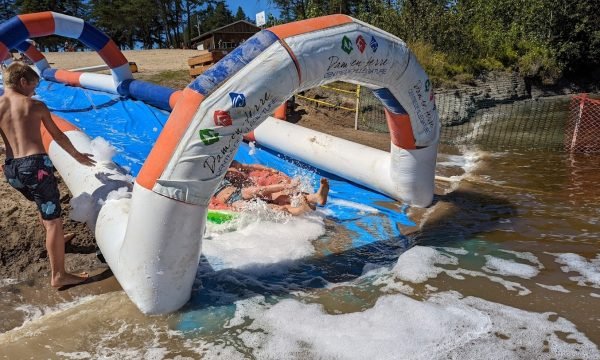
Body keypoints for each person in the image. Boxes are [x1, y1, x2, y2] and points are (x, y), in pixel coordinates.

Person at [0, 62, 96, 288]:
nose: (34, 91)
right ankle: (59, 275)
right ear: (23, 82)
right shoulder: (35, 105)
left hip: (11, 169)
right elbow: (58, 136)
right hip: (35, 167)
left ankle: (57, 241)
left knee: (41, 203)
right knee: (53, 220)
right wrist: (77, 156)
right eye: (33, 85)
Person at [209, 160, 329, 216]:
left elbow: (251, 166)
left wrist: (269, 170)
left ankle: (316, 197)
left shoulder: (226, 164)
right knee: (273, 208)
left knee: (281, 195)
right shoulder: (201, 180)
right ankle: (300, 210)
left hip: (243, 190)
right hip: (232, 200)